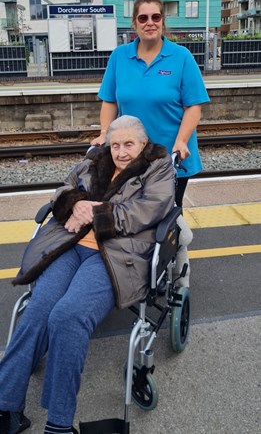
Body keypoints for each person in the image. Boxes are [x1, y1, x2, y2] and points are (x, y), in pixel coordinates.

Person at [0, 115, 175, 434]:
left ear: (143, 143)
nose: (121, 152)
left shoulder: (158, 165)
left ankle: (59, 423)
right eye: (115, 144)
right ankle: (6, 406)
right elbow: (64, 191)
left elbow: (150, 210)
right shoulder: (95, 159)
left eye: (129, 144)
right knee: (38, 310)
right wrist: (73, 204)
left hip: (117, 253)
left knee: (67, 316)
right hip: (70, 243)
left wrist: (95, 211)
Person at [92, 0, 209, 290]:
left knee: (165, 219)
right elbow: (108, 102)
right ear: (134, 24)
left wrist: (182, 141)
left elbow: (193, 106)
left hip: (171, 158)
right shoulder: (120, 57)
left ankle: (177, 267)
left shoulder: (181, 57)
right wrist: (106, 134)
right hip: (131, 157)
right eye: (143, 17)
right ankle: (137, 270)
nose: (150, 22)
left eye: (155, 16)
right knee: (132, 213)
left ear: (162, 21)